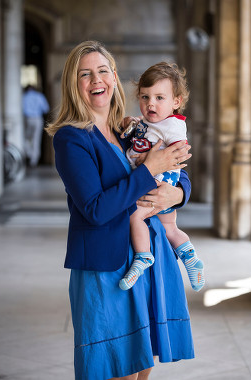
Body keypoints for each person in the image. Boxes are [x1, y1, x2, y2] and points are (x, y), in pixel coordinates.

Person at [46, 40, 194, 380]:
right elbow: (95, 209)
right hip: (106, 267)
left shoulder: (126, 129)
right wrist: (147, 170)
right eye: (85, 74)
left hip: (144, 258)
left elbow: (177, 169)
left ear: (113, 77)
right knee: (116, 370)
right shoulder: (71, 139)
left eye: (102, 71)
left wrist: (177, 195)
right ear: (74, 84)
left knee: (142, 367)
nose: (96, 79)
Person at [119, 63, 204, 292]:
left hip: (158, 182)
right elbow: (140, 132)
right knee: (171, 229)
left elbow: (178, 153)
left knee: (135, 216)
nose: (150, 104)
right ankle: (190, 258)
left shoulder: (173, 125)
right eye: (145, 97)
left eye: (159, 97)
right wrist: (131, 124)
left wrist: (149, 158)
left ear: (175, 102)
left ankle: (143, 256)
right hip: (157, 181)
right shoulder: (151, 122)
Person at [23, 84, 50, 167]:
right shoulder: (39, 96)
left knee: (26, 138)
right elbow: (46, 109)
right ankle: (34, 160)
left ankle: (28, 153)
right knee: (36, 139)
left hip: (28, 119)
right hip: (38, 118)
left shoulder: (24, 97)